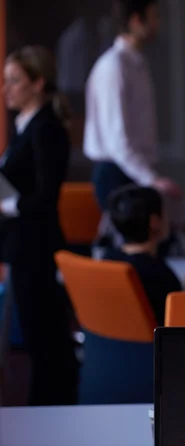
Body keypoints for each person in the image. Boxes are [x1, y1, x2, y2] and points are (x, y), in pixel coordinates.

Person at [0, 45, 79, 405]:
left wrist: (7, 203)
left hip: (37, 246)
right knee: (37, 337)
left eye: (14, 81)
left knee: (45, 339)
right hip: (22, 245)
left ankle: (51, 412)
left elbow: (45, 197)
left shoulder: (46, 129)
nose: (6, 90)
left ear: (38, 83)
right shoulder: (24, 125)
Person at [83, 0, 181, 211]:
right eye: (154, 16)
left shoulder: (137, 63)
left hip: (134, 171)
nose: (158, 23)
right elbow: (117, 141)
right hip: (117, 173)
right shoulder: (114, 66)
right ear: (136, 21)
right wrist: (151, 180)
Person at [104, 185, 185, 325]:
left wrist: (182, 293)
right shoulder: (158, 273)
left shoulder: (108, 260)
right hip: (162, 346)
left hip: (117, 346)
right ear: (155, 221)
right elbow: (181, 321)